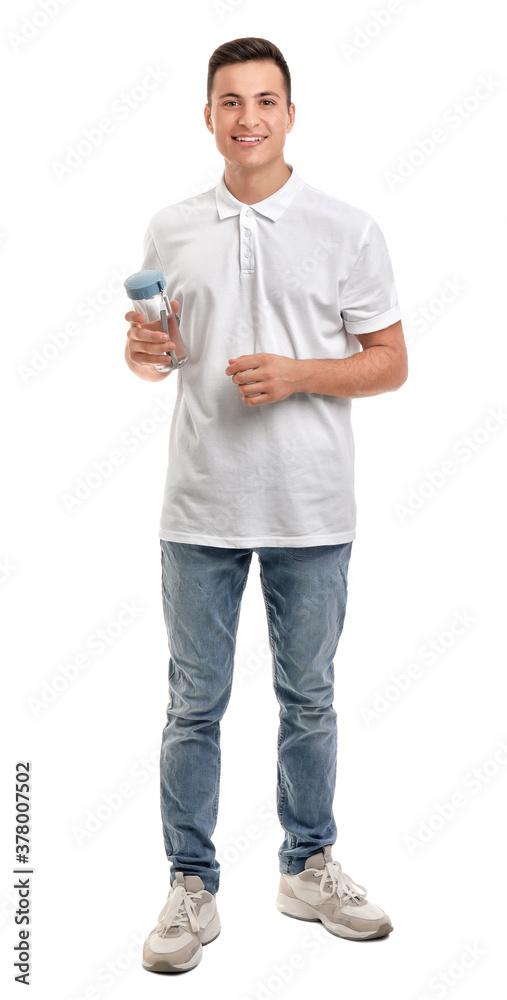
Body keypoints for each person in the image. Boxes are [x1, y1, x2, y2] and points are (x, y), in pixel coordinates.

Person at [124, 36, 408, 974]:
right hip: (198, 503)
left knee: (310, 700)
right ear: (207, 116)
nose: (248, 117)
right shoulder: (169, 228)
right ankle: (190, 885)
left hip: (311, 509)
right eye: (230, 101)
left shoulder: (346, 227)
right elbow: (154, 350)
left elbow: (389, 361)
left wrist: (298, 375)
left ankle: (307, 865)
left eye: (265, 100)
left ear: (291, 113)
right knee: (192, 706)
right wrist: (145, 352)